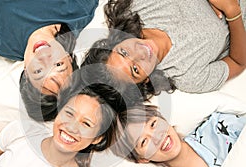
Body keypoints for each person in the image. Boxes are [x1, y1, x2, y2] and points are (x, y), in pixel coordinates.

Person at [0, 0, 99, 120]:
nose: (44, 57)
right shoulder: (79, 10)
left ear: (25, 72)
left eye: (38, 71)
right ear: (68, 57)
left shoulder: (5, 44)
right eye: (58, 64)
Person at [83, 0, 246, 97]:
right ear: (146, 79)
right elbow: (238, 62)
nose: (139, 53)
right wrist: (233, 12)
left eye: (123, 52)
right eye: (135, 69)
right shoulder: (187, 76)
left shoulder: (137, 6)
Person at [111, 104, 246, 167]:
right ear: (142, 159)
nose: (157, 137)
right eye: (144, 142)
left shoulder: (217, 126)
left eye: (153, 124)